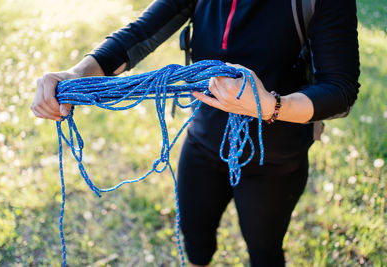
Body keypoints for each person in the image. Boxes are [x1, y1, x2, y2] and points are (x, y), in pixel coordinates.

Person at [31, 0, 360, 266]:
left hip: (275, 158)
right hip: (204, 141)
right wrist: (75, 76)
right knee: (196, 241)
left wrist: (271, 105)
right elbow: (139, 34)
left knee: (264, 250)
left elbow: (340, 89)